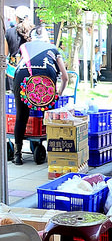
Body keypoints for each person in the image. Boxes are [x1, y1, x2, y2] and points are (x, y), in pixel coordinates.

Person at [12, 25, 68, 165]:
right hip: (46, 79)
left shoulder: (24, 47)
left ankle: (17, 155)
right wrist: (59, 92)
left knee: (21, 116)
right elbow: (65, 77)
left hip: (22, 78)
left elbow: (18, 66)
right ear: (46, 37)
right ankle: (52, 152)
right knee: (48, 116)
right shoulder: (53, 49)